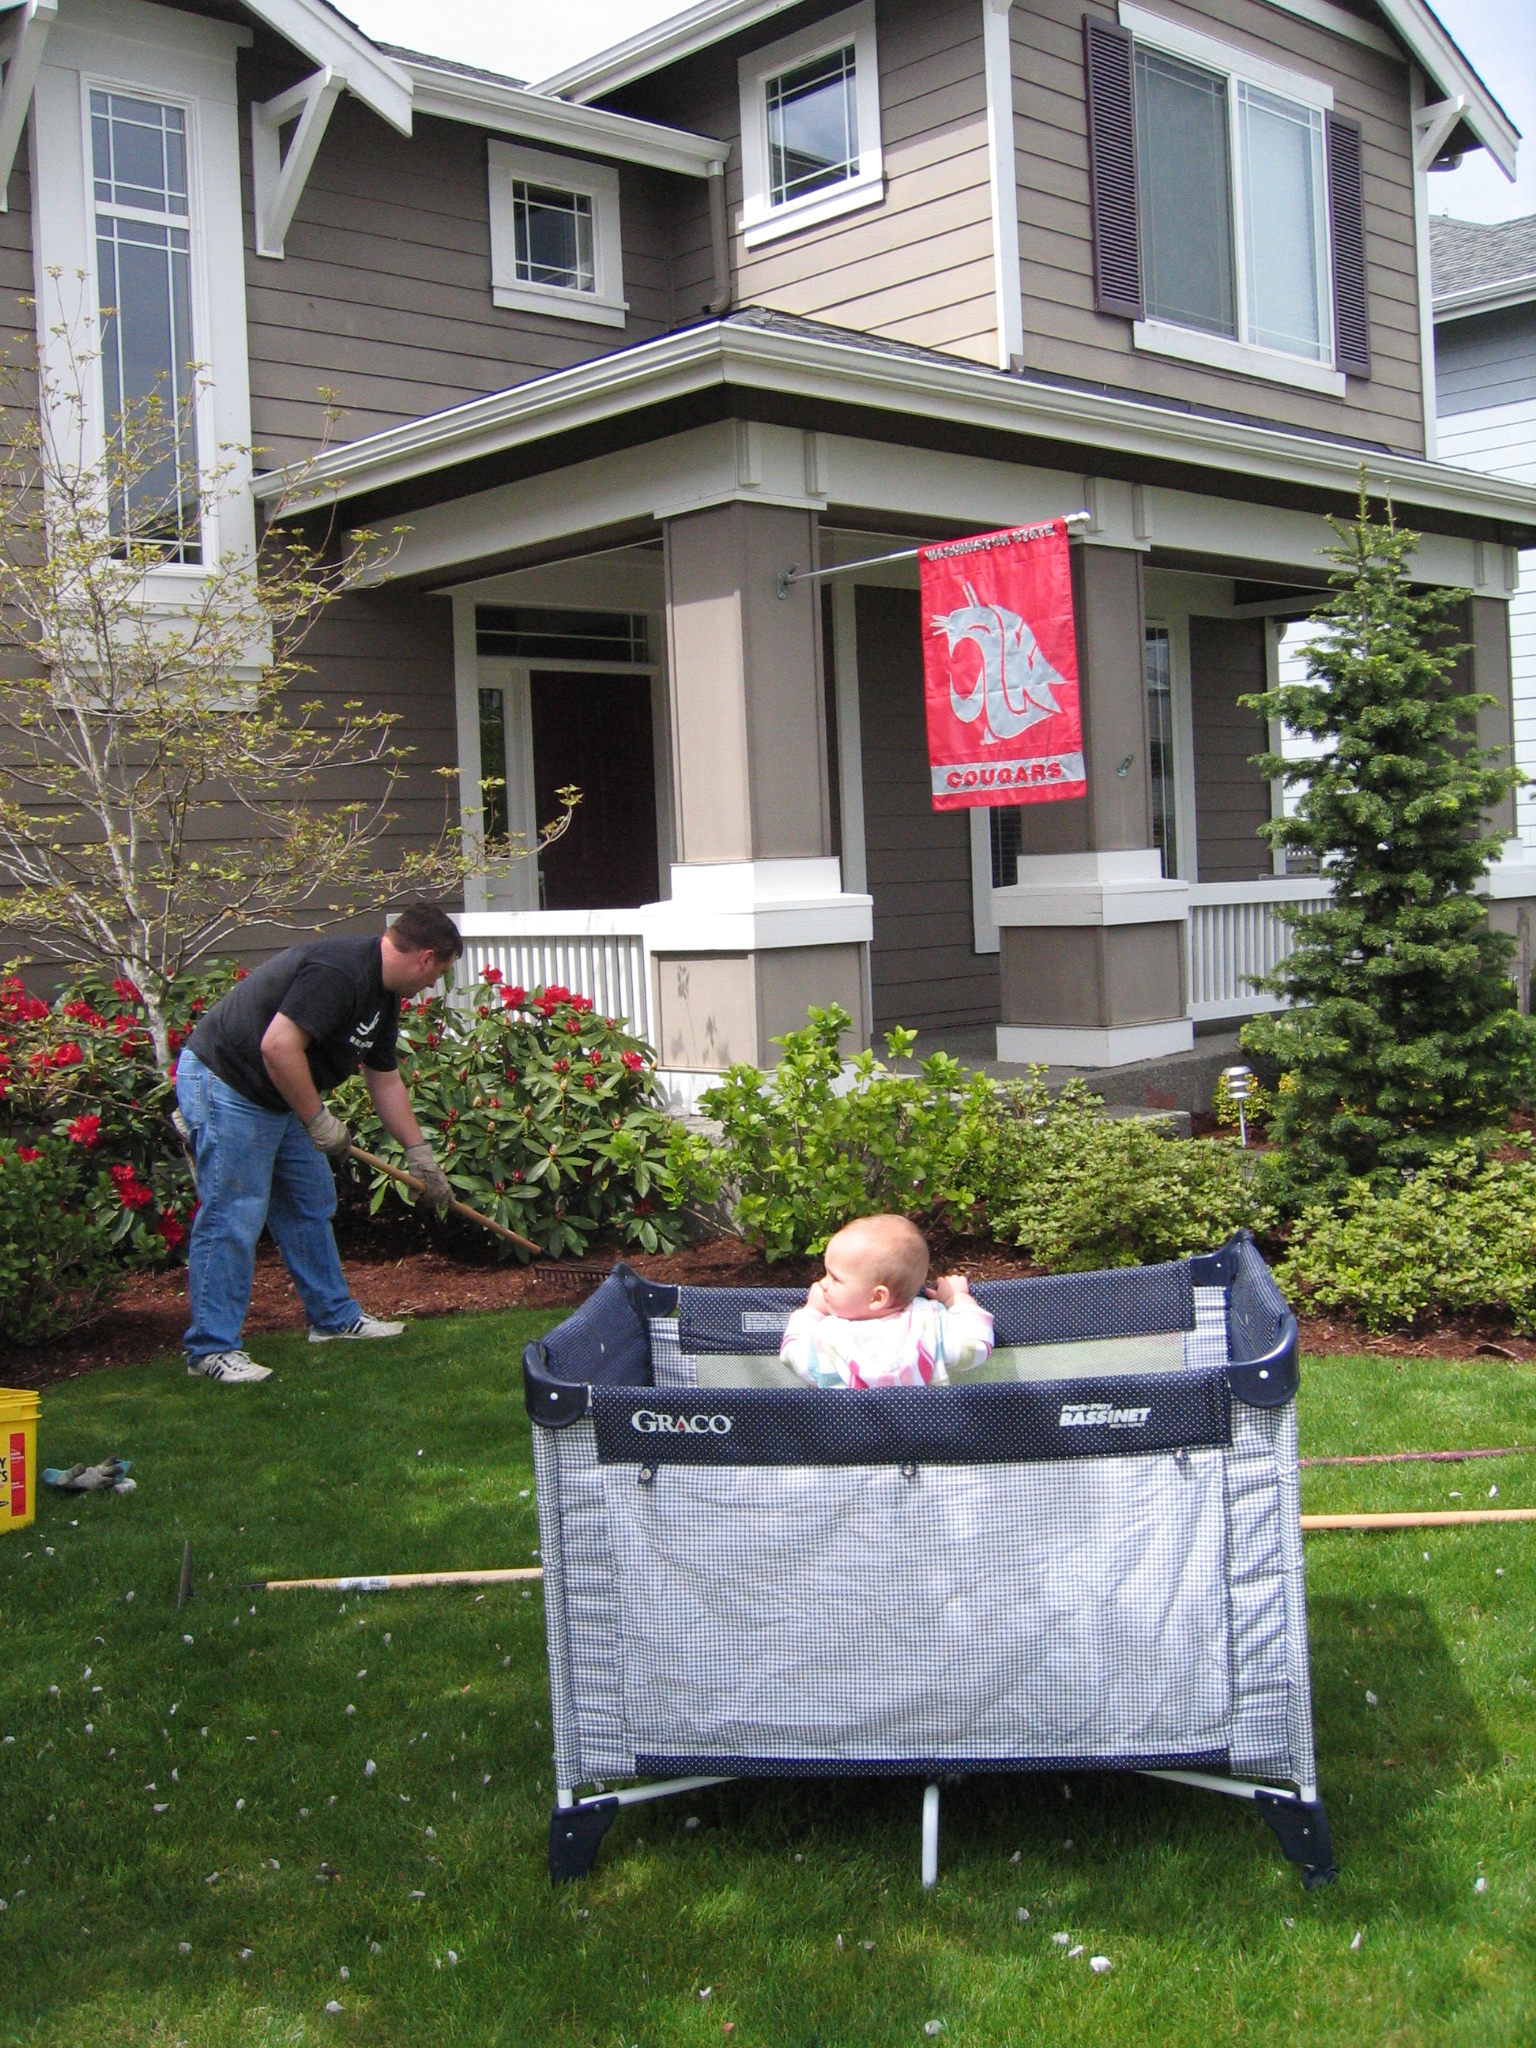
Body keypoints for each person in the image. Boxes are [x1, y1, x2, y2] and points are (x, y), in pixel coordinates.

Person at [174, 903, 463, 1385]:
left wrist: (420, 1156)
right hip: (229, 1081)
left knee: (310, 1202)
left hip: (277, 1092)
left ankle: (333, 1319)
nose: (433, 985)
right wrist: (318, 1120)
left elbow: (385, 1080)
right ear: (425, 958)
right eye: (439, 974)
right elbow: (277, 1046)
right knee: (234, 1213)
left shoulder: (384, 995)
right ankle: (210, 1349)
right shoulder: (342, 972)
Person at [779, 1213, 994, 1389]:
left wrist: (812, 1310)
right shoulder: (930, 1324)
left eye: (834, 1278)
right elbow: (975, 1345)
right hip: (923, 1439)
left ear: (877, 1297)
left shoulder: (825, 1339)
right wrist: (957, 1298)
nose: (822, 1283)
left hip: (851, 1441)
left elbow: (790, 1354)